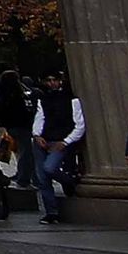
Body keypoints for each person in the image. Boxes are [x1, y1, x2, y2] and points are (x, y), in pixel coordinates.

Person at [27, 71, 84, 222]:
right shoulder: (43, 99)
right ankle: (51, 212)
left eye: (55, 80)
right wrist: (37, 135)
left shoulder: (72, 100)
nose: (52, 83)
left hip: (61, 140)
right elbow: (40, 118)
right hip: (44, 139)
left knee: (49, 168)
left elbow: (79, 124)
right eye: (48, 80)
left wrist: (66, 141)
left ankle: (70, 180)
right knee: (43, 178)